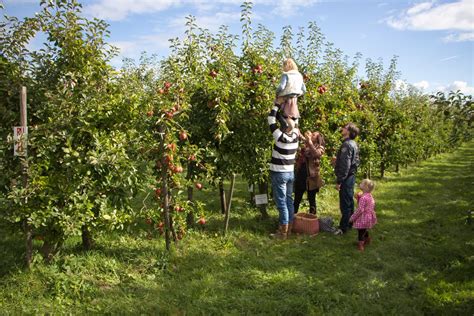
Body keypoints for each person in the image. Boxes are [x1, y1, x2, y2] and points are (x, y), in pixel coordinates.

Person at [268, 104, 300, 239]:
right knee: (288, 200)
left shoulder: (280, 137)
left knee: (281, 202)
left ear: (285, 127)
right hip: (290, 173)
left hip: (279, 173)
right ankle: (290, 228)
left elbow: (271, 119)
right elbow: (295, 120)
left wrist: (277, 105)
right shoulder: (296, 136)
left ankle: (282, 232)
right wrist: (292, 103)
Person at [333, 122, 360, 235]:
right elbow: (356, 162)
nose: (342, 128)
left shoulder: (346, 145)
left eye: (344, 127)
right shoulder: (354, 144)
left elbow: (345, 165)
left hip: (347, 177)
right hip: (351, 175)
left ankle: (343, 228)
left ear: (348, 131)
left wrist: (340, 180)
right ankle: (351, 223)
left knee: (345, 203)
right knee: (349, 201)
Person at [294, 131, 325, 215]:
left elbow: (316, 154)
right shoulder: (306, 145)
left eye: (314, 134)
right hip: (301, 175)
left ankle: (312, 220)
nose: (311, 135)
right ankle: (292, 218)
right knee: (297, 197)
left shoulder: (320, 147)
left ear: (317, 138)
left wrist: (310, 142)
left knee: (311, 199)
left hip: (312, 177)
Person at [275, 58, 306, 123]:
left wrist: (277, 93)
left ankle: (284, 129)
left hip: (284, 98)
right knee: (293, 116)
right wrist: (298, 94)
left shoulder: (286, 74)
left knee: (278, 113)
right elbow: (304, 89)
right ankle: (295, 129)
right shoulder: (299, 75)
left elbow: (281, 87)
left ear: (286, 66)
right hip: (294, 99)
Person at [350, 179, 377, 251]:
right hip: (369, 217)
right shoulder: (369, 196)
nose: (360, 183)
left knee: (360, 231)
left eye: (361, 183)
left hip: (363, 217)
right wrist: (359, 197)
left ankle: (361, 245)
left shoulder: (363, 198)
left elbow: (360, 210)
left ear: (366, 187)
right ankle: (367, 239)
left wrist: (352, 217)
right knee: (364, 229)